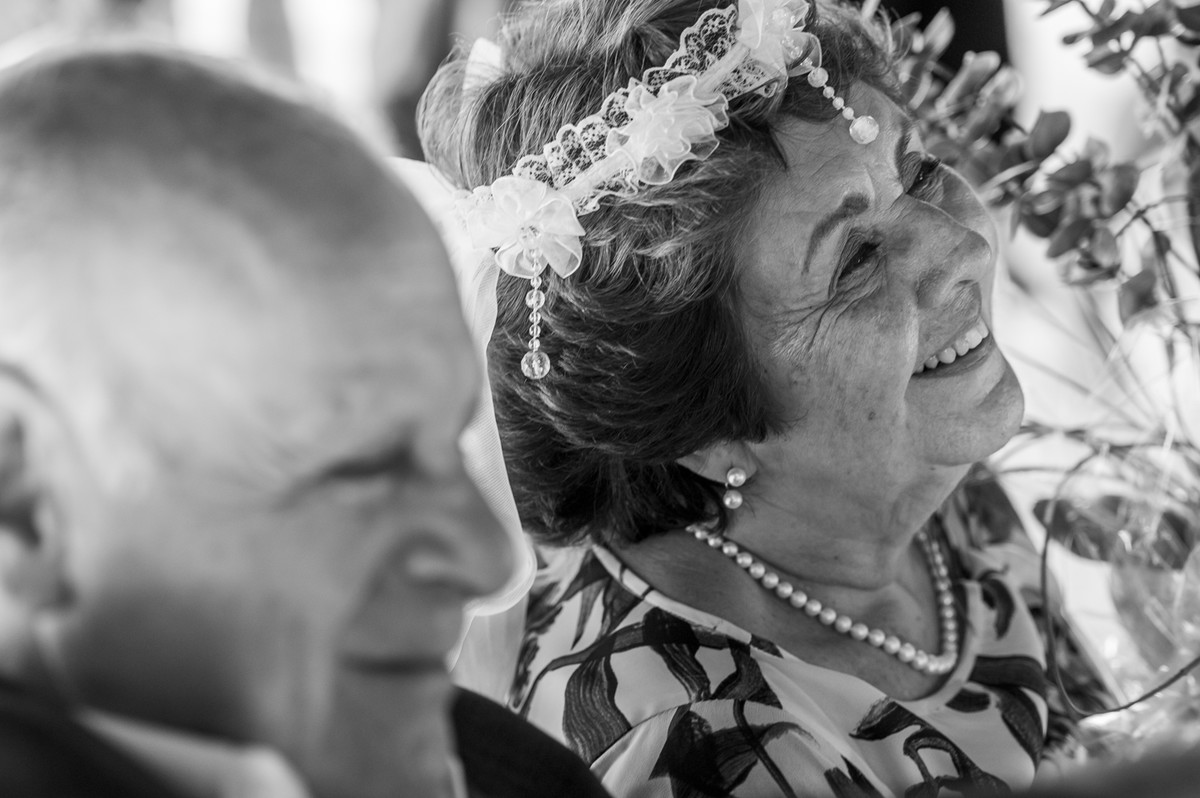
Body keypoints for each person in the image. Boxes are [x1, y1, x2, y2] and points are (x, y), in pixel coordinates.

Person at [418, 0, 1100, 794]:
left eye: (918, 171)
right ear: (706, 425)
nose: (964, 246)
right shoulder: (699, 739)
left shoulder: (918, 475)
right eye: (856, 261)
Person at [0, 45, 611, 798]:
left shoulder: (526, 777)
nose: (493, 563)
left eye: (455, 445)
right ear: (27, 499)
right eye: (368, 468)